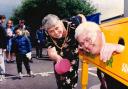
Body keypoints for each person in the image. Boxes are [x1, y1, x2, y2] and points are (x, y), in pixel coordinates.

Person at [75, 22, 127, 89]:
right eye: (82, 43)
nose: (86, 45)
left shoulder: (117, 47)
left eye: (87, 39)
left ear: (100, 34)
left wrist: (120, 47)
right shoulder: (94, 52)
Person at [42, 14, 85, 89]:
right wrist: (57, 58)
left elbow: (81, 16)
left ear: (60, 22)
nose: (55, 32)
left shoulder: (73, 23)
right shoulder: (46, 33)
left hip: (73, 57)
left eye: (57, 28)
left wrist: (84, 33)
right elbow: (51, 50)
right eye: (51, 31)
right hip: (59, 59)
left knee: (72, 82)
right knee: (61, 83)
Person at [0, 15, 7, 81]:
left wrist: (4, 47)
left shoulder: (1, 27)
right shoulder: (1, 27)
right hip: (1, 47)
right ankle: (2, 75)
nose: (4, 21)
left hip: (0, 47)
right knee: (1, 61)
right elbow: (5, 37)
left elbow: (4, 37)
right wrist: (4, 47)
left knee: (1, 61)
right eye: (4, 19)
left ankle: (2, 75)